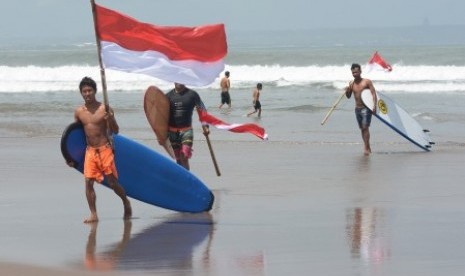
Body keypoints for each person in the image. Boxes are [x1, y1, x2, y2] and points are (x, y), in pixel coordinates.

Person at [69, 77, 132, 223]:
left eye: (89, 90)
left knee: (112, 182)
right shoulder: (79, 112)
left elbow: (115, 131)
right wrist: (71, 157)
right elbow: (75, 135)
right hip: (90, 151)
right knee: (88, 182)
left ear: (95, 91)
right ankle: (93, 214)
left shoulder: (105, 109)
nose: (87, 94)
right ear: (81, 93)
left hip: (105, 149)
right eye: (84, 91)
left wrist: (111, 119)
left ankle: (125, 201)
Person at [166, 83, 209, 170]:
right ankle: (181, 180)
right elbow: (161, 114)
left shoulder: (192, 94)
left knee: (184, 156)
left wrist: (205, 125)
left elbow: (202, 109)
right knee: (178, 159)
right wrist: (160, 133)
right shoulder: (168, 96)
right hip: (171, 132)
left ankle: (187, 179)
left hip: (187, 131)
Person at [345, 63, 377, 155]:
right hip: (357, 109)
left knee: (365, 127)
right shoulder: (351, 84)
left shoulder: (367, 82)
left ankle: (366, 148)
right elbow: (348, 96)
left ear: (360, 71)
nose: (354, 74)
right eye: (353, 73)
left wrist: (374, 106)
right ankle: (368, 146)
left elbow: (373, 93)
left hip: (366, 108)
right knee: (362, 129)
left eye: (356, 72)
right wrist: (347, 90)